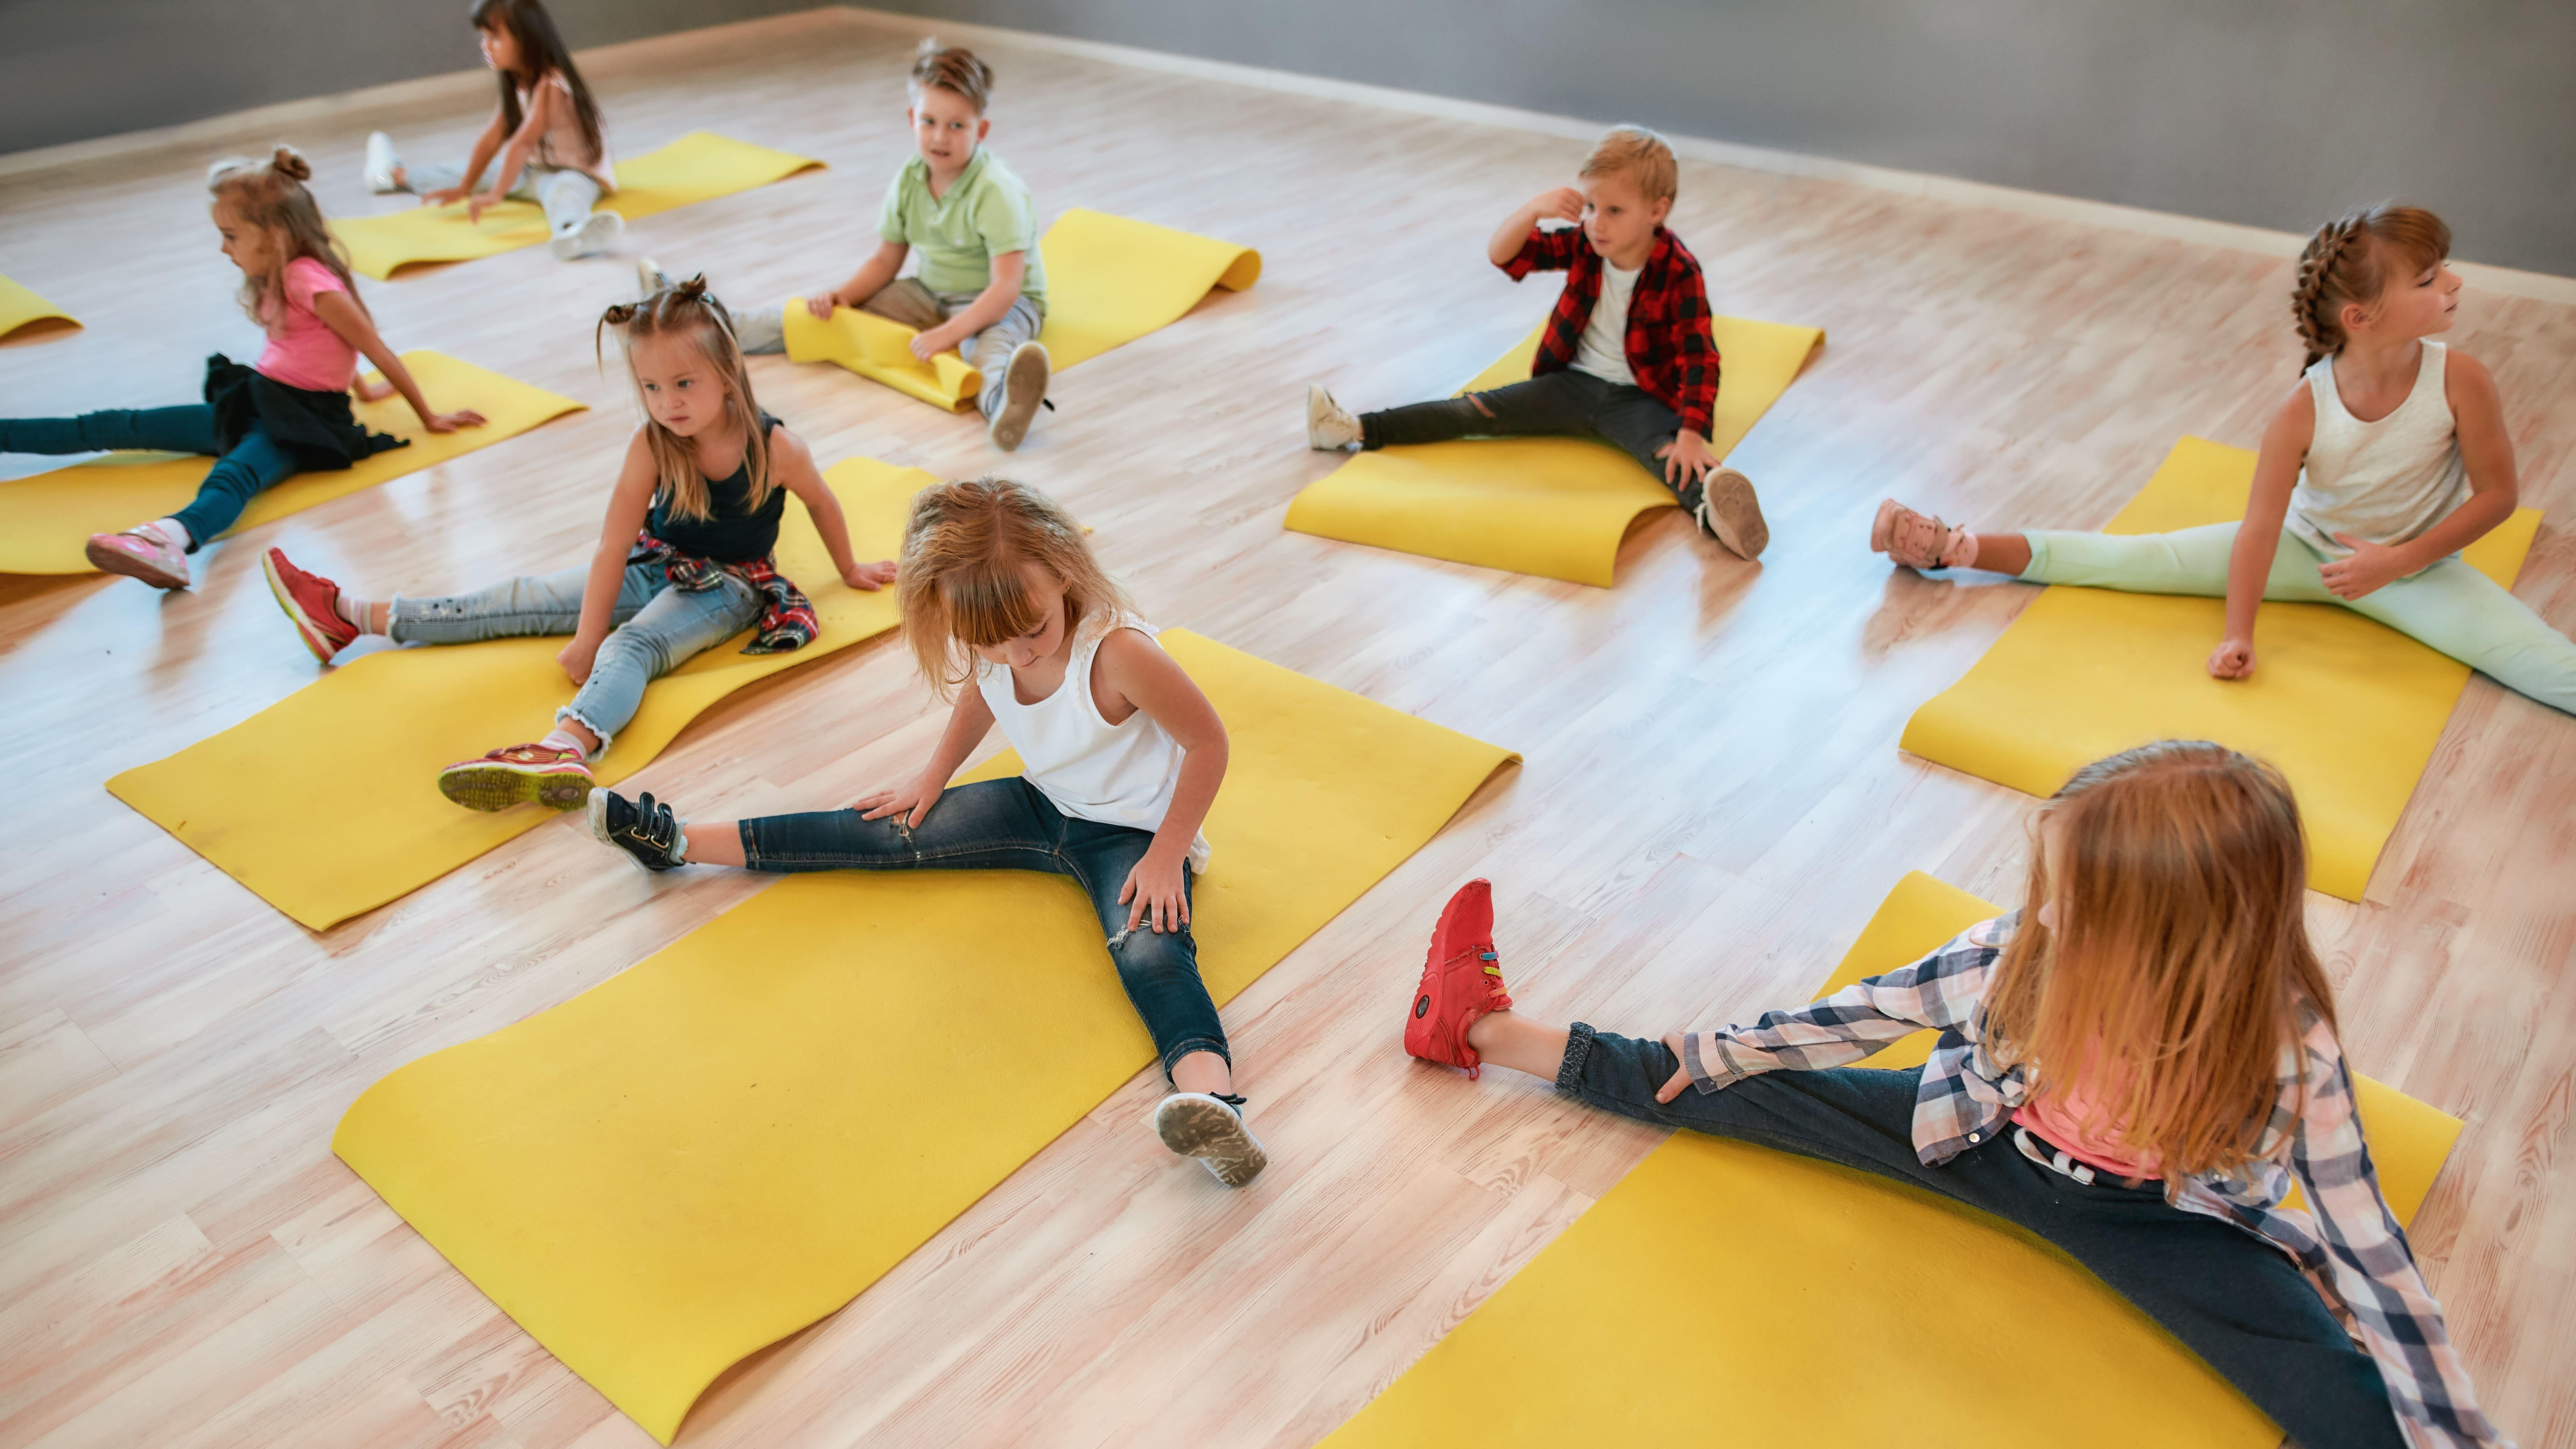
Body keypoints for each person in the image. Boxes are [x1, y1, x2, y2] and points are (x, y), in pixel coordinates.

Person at [1405, 741, 2506, 1448]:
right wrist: (1727, 1049)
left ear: (2183, 935)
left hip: (2162, 1221)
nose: (2045, 913)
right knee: (1719, 1081)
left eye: (2075, 900)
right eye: (2049, 887)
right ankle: (1480, 1027)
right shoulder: (2018, 950)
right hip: (1976, 1139)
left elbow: (2372, 1253)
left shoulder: (2283, 1043)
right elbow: (1858, 1015)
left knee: (2332, 1392)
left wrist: (2453, 1426)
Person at [586, 477, 1264, 1186]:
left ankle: (1215, 1107)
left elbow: (1209, 744)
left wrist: (1166, 855)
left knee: (1151, 952)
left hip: (1131, 835)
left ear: (1064, 571)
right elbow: (984, 692)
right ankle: (678, 842)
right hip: (1041, 804)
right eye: (991, 642)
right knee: (880, 829)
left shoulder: (1120, 652)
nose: (1017, 656)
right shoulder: (998, 641)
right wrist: (930, 778)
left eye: (1033, 632)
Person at [1872, 203, 2573, 714]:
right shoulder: (2302, 408)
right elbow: (2261, 530)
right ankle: (1954, 547)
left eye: (2441, 270)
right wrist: (2238, 635)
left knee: (2541, 666)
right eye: (2427, 280)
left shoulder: (2461, 379)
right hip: (2306, 550)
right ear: (2360, 318)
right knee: (2133, 561)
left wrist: (2396, 562)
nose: (2453, 283)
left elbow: (2498, 498)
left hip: (2420, 571)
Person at [260, 277, 893, 809]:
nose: (667, 404)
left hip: (730, 585)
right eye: (651, 388)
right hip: (656, 560)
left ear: (728, 376)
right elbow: (612, 549)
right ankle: (352, 616)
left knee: (633, 645)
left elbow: (821, 501)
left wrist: (850, 568)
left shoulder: (777, 447)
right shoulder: (652, 444)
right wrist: (585, 636)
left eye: (684, 384)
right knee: (526, 598)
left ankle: (566, 746)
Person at [0, 147, 481, 590]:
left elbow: (373, 347)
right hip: (258, 398)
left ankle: (166, 541)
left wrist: (429, 417)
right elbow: (329, 345)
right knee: (122, 425)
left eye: (231, 237)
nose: (224, 249)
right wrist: (364, 391)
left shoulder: (311, 282)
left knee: (235, 475)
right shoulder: (278, 274)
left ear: (274, 236)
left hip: (302, 423)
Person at [1304, 124, 1768, 560]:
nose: (1596, 223)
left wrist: (1690, 435)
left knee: (1671, 459)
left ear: (1657, 212)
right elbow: (1504, 255)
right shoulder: (1587, 244)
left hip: (1640, 399)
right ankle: (1352, 429)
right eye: (1590, 207)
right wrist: (1532, 211)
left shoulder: (1679, 271)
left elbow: (1699, 357)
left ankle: (1714, 512)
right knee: (1473, 410)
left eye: (1614, 211)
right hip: (1571, 387)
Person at [662, 39, 1051, 450]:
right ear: (912, 119)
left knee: (985, 350)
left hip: (1005, 301)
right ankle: (708, 329)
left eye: (957, 126)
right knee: (824, 318)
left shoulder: (998, 191)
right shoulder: (909, 180)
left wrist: (948, 335)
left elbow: (1006, 287)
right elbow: (885, 260)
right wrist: (842, 297)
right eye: (929, 121)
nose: (940, 137)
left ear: (981, 131)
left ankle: (1004, 406)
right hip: (930, 292)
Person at [363, 0, 623, 260]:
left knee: (565, 192)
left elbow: (523, 143)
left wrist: (496, 195)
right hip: (530, 171)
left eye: (495, 38)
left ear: (527, 39)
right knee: (461, 172)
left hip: (574, 173)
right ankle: (392, 175)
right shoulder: (517, 83)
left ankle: (572, 232)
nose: (485, 46)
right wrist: (465, 187)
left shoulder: (552, 85)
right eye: (485, 37)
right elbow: (491, 140)